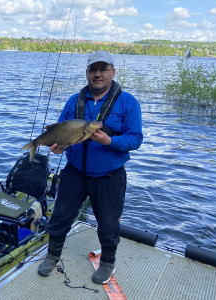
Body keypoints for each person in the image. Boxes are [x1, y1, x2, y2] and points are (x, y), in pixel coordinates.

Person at [37, 51, 143, 284]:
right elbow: (61, 134)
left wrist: (110, 141)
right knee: (60, 216)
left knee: (107, 223)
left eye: (103, 69)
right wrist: (58, 147)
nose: (98, 74)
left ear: (112, 73)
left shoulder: (128, 103)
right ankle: (52, 255)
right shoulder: (74, 101)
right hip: (75, 172)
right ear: (86, 73)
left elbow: (135, 139)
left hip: (109, 176)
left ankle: (107, 263)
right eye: (93, 70)